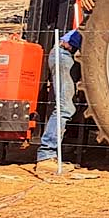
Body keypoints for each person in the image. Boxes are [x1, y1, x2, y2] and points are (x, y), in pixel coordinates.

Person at [35, 28, 83, 175]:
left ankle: (51, 153)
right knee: (64, 107)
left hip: (67, 55)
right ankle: (46, 155)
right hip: (64, 54)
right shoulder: (92, 16)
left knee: (67, 107)